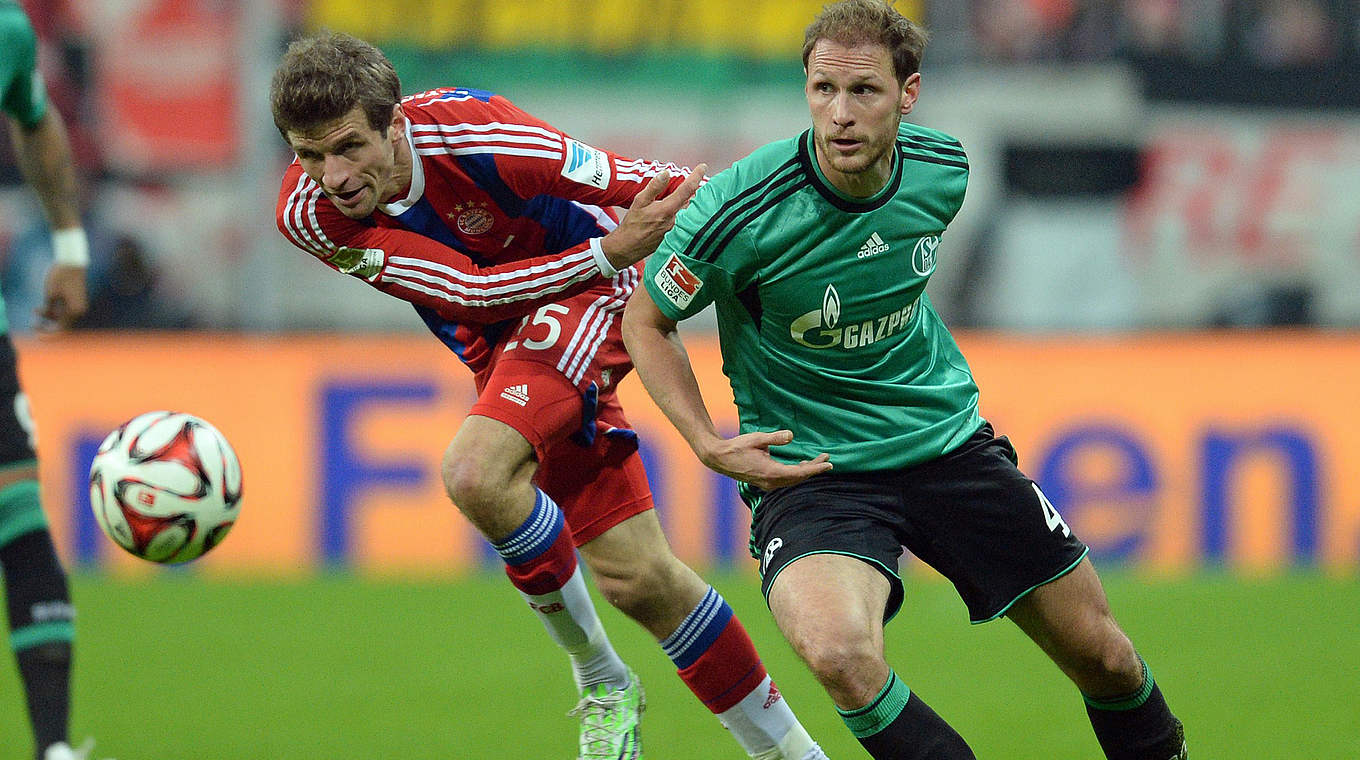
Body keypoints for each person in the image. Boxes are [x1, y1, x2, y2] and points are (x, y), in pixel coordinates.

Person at [621, 2, 1188, 759]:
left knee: (1108, 658)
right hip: (818, 472)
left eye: (864, 92)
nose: (841, 115)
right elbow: (645, 320)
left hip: (948, 447)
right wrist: (703, 440)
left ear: (908, 94)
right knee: (836, 652)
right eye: (823, 90)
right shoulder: (738, 211)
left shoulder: (941, 171)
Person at [270, 32, 828, 760]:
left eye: (347, 147)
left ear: (395, 123)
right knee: (639, 580)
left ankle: (602, 680)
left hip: (598, 291)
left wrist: (790, 229)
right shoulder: (308, 211)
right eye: (309, 155)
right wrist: (605, 251)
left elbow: (644, 182)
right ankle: (795, 755)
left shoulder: (485, 136)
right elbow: (466, 292)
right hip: (510, 329)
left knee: (476, 470)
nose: (333, 175)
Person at [0, 3, 105, 760]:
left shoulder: (6, 30)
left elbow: (35, 118)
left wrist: (68, 241)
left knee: (19, 514)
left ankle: (54, 749)